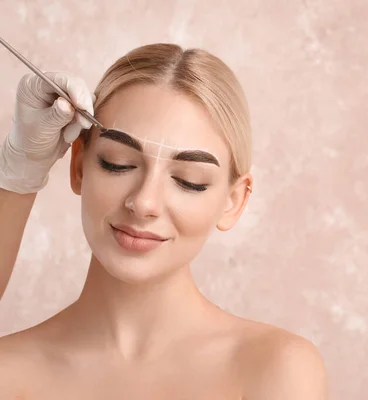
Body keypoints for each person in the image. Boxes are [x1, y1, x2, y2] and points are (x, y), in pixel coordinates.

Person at [0, 43, 327, 399]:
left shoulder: (274, 369)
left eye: (189, 181)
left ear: (233, 202)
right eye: (118, 163)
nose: (143, 202)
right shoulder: (10, 372)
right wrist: (20, 173)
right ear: (79, 166)